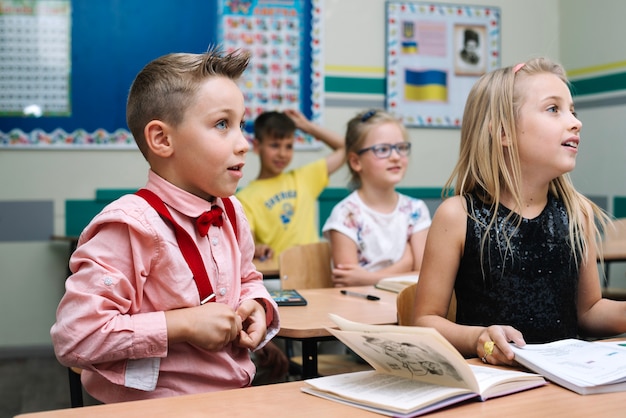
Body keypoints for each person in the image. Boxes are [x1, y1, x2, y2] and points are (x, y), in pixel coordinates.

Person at [50, 48, 280, 403]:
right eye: (222, 124)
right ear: (161, 139)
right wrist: (182, 326)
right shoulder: (130, 226)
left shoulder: (232, 212)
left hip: (232, 400)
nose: (244, 143)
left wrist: (257, 306)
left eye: (242, 124)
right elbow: (75, 337)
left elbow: (247, 279)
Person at [412, 57, 626, 367]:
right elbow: (424, 321)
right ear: (503, 133)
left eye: (572, 110)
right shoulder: (458, 216)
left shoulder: (576, 213)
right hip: (496, 386)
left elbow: (589, 311)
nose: (575, 121)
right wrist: (477, 338)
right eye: (553, 109)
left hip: (569, 383)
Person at [322, 109, 431, 286]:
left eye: (401, 148)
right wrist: (406, 263)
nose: (396, 157)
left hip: (406, 306)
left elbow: (424, 275)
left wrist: (368, 278)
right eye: (383, 149)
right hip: (361, 308)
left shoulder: (416, 210)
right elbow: (348, 282)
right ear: (356, 162)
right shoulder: (345, 214)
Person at [236, 109, 345, 259]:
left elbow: (347, 149)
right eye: (275, 145)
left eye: (288, 146)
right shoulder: (244, 198)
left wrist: (307, 126)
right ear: (256, 146)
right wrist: (258, 249)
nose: (282, 153)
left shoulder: (304, 178)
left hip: (316, 271)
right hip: (278, 277)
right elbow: (249, 246)